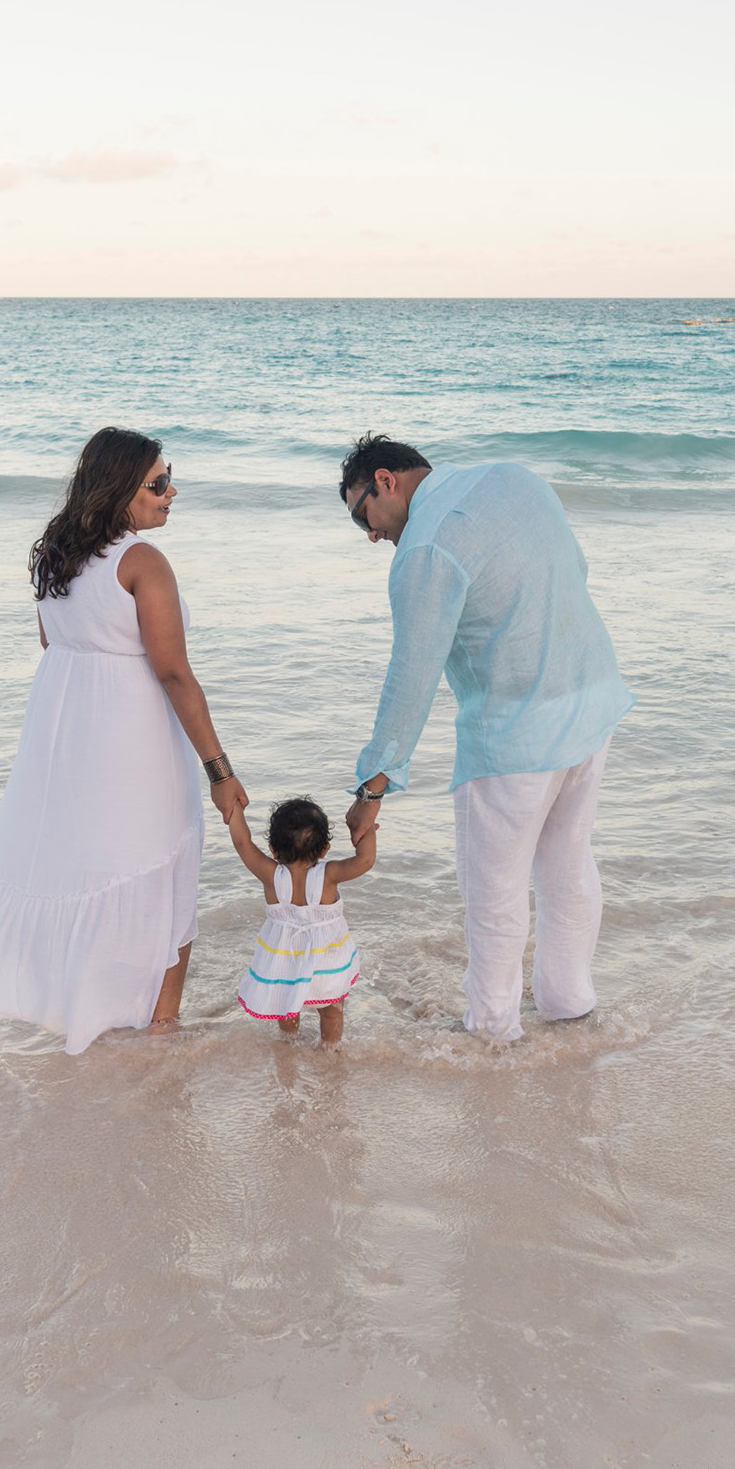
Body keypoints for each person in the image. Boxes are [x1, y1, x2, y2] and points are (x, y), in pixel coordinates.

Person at [0, 427, 248, 1053]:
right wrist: (219, 770)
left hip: (71, 736)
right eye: (157, 483)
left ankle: (93, 1011)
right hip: (136, 741)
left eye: (168, 479)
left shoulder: (58, 553)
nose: (170, 492)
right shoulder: (142, 562)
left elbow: (53, 644)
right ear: (121, 489)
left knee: (95, 865)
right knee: (164, 864)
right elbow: (173, 671)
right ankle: (160, 1026)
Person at [338, 432, 632, 1042]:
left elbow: (411, 676)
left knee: (493, 893)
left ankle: (492, 1029)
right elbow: (574, 570)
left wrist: (373, 786)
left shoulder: (426, 548)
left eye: (361, 513)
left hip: (515, 741)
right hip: (591, 706)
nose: (370, 534)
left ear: (386, 481)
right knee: (568, 866)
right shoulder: (514, 477)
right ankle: (568, 1005)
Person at [224, 796, 371, 1046]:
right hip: (326, 959)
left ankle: (288, 1043)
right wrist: (367, 828)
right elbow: (365, 861)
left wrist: (234, 807)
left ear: (272, 847)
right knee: (331, 1007)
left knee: (286, 1004)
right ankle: (330, 1049)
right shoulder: (330, 874)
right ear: (325, 848)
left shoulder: (270, 875)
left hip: (285, 957)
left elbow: (241, 842)